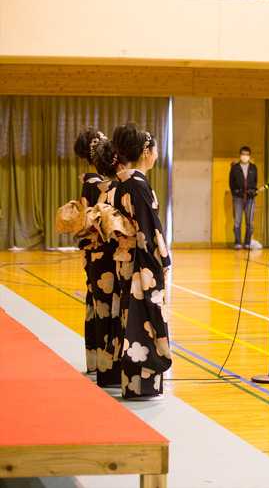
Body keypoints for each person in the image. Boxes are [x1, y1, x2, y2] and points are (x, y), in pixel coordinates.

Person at [113, 122, 171, 400]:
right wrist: (164, 257)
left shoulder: (125, 181)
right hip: (142, 261)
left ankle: (134, 383)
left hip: (129, 258)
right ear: (147, 152)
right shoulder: (137, 184)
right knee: (146, 317)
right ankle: (143, 384)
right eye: (156, 149)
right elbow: (150, 227)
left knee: (133, 317)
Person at [86, 138, 124, 388]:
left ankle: (103, 370)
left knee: (101, 313)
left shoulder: (93, 187)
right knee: (115, 313)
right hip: (114, 257)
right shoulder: (118, 189)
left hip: (96, 256)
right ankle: (113, 371)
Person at [73, 126, 107, 376]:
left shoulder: (93, 181)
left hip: (94, 250)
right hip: (100, 250)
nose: (106, 137)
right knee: (102, 304)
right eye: (102, 136)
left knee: (96, 303)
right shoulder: (97, 184)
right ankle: (104, 362)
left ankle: (96, 360)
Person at [229, 146, 258, 250]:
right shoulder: (235, 168)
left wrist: (253, 191)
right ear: (240, 155)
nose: (245, 156)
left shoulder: (253, 168)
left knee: (249, 222)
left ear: (249, 156)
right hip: (238, 198)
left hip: (250, 198)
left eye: (247, 154)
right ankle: (237, 243)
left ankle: (247, 243)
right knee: (237, 221)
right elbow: (231, 183)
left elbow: (255, 182)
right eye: (243, 154)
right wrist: (235, 192)